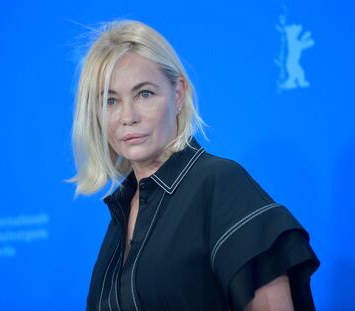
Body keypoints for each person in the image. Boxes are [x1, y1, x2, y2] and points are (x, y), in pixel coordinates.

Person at [70, 19, 320, 311]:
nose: (128, 116)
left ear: (177, 95)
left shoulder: (220, 184)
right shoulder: (123, 209)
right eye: (110, 101)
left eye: (144, 94)